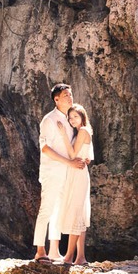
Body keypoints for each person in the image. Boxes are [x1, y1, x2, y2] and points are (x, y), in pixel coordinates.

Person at [33, 83, 86, 263]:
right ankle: (40, 251)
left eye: (71, 94)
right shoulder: (48, 120)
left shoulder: (70, 120)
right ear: (56, 99)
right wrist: (68, 162)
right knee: (46, 209)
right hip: (52, 170)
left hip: (67, 172)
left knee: (60, 211)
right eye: (66, 95)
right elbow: (45, 149)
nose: (70, 98)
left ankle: (54, 251)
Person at [56, 103, 93, 265]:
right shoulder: (82, 132)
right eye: (70, 118)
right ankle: (81, 257)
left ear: (82, 117)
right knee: (79, 214)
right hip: (77, 172)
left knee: (75, 213)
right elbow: (88, 158)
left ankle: (69, 257)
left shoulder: (83, 131)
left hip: (78, 174)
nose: (72, 120)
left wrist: (63, 134)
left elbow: (72, 154)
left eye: (75, 117)